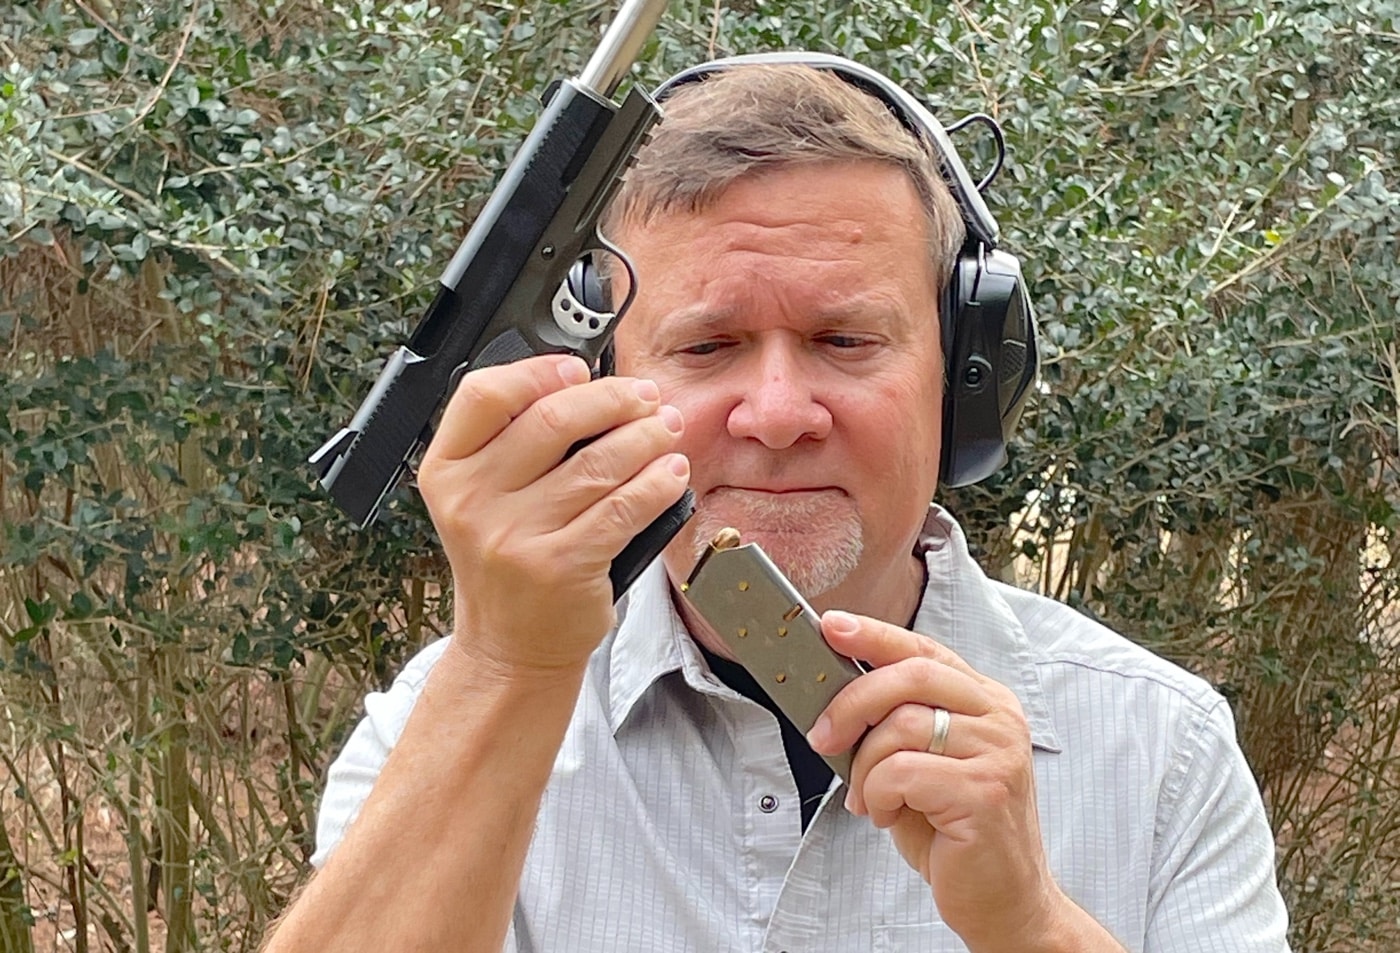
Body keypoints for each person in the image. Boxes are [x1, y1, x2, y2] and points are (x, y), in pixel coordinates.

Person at [265, 54, 1290, 953]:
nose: (776, 412)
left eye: (844, 341)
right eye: (706, 347)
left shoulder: (1158, 748)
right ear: (593, 383)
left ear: (966, 375)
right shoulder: (444, 717)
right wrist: (507, 668)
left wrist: (1031, 925)